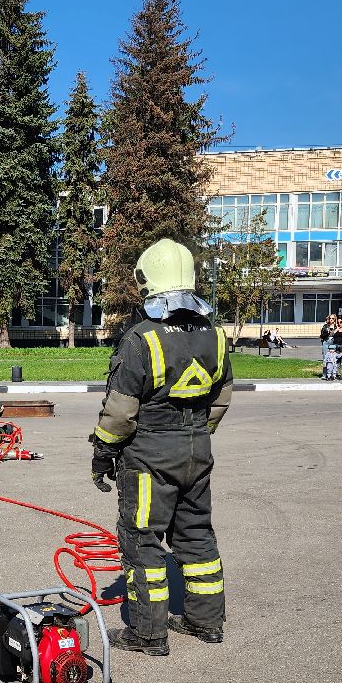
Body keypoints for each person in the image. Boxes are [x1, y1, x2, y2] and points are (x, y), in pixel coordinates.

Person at [90, 238, 232, 657]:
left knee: (142, 541)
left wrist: (102, 453)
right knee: (196, 536)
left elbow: (120, 412)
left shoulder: (142, 339)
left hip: (150, 456)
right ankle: (206, 622)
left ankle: (148, 634)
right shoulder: (216, 335)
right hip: (196, 450)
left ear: (147, 280)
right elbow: (222, 397)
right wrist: (194, 435)